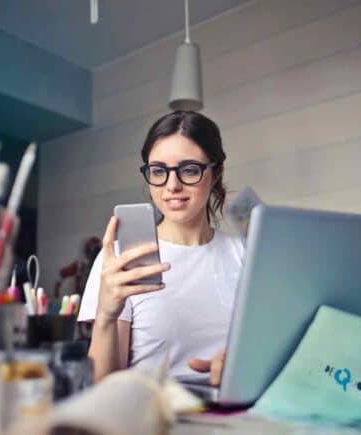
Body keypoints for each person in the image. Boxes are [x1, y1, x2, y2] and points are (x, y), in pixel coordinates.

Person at [77, 111, 244, 385]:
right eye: (158, 171)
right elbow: (102, 386)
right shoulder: (121, 260)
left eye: (190, 170)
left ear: (216, 173)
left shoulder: (245, 255)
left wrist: (240, 367)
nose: (172, 185)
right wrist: (106, 315)